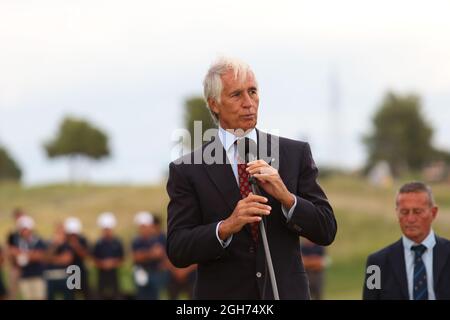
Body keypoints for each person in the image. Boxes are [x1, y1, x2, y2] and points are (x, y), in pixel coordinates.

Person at [166, 57, 337, 299]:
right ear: (214, 104)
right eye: (236, 95)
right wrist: (226, 227)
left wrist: (288, 198)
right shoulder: (187, 169)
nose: (249, 103)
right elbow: (178, 248)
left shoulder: (294, 154)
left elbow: (326, 229)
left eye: (253, 92)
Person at [363, 182, 450, 300]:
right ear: (397, 213)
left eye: (417, 212)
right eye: (404, 212)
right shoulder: (376, 264)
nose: (410, 219)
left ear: (433, 213)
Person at [131, 212, 168, 300]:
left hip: (156, 273)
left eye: (144, 226)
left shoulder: (159, 238)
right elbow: (136, 257)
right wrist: (151, 253)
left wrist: (145, 254)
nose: (143, 229)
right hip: (141, 273)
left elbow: (161, 254)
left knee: (155, 296)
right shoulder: (137, 240)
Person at [9, 215, 47, 300]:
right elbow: (12, 254)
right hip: (24, 275)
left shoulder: (37, 240)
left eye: (25, 229)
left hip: (37, 274)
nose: (23, 231)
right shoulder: (18, 241)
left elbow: (39, 255)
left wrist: (22, 253)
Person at [93, 212, 124, 300]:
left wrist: (112, 263)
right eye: (105, 229)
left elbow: (122, 258)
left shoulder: (117, 242)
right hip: (101, 275)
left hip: (115, 275)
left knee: (116, 295)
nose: (107, 231)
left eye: (108, 229)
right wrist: (103, 264)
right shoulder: (98, 243)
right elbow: (94, 259)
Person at [44, 223, 75, 300]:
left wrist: (52, 259)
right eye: (58, 232)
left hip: (64, 277)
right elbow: (45, 258)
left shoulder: (68, 245)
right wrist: (55, 246)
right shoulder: (49, 245)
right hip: (50, 277)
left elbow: (66, 260)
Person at [64, 217, 91, 299]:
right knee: (71, 295)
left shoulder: (82, 240)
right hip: (69, 272)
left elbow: (86, 255)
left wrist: (76, 246)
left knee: (85, 293)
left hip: (81, 271)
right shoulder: (65, 241)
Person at [5, 208, 25, 299]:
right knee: (12, 292)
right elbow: (8, 249)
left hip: (28, 267)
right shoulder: (13, 234)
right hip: (15, 266)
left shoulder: (29, 233)